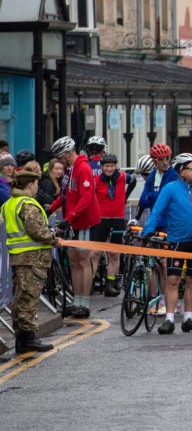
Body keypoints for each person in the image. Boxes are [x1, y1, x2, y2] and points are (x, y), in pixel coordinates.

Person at [143, 154, 192, 334]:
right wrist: (146, 232)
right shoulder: (170, 189)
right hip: (176, 241)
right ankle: (169, 319)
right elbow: (157, 212)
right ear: (181, 171)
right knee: (173, 280)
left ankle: (188, 318)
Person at [3, 168, 64, 352]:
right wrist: (54, 239)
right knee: (29, 298)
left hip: (19, 257)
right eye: (36, 183)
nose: (38, 186)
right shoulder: (27, 203)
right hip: (31, 258)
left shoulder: (10, 203)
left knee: (21, 297)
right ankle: (27, 337)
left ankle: (23, 337)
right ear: (30, 184)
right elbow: (35, 229)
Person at [48, 136, 101, 318]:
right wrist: (51, 209)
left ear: (69, 153)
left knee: (83, 260)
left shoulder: (83, 168)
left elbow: (86, 197)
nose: (59, 161)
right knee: (73, 261)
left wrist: (69, 218)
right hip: (72, 220)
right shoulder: (70, 170)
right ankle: (76, 299)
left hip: (83, 221)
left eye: (60, 157)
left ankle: (84, 302)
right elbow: (65, 195)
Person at [91, 153, 136, 297]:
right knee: (95, 253)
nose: (109, 169)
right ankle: (90, 283)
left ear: (115, 166)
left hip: (117, 219)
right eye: (106, 166)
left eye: (112, 166)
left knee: (114, 253)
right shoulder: (96, 181)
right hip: (101, 219)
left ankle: (110, 285)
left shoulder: (123, 177)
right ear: (102, 167)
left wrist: (125, 197)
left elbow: (133, 180)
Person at [139, 144, 178, 221]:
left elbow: (167, 198)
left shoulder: (174, 175)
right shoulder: (151, 176)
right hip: (155, 221)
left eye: (167, 158)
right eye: (161, 159)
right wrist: (159, 196)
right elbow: (143, 201)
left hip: (170, 222)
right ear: (154, 161)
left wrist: (150, 195)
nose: (165, 162)